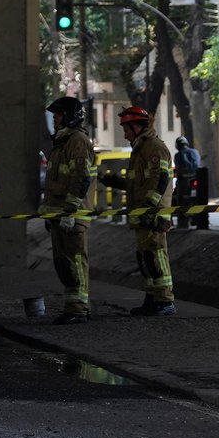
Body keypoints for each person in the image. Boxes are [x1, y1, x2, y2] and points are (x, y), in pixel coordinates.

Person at [101, 107, 177, 315]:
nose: (124, 133)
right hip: (142, 214)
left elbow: (161, 178)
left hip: (152, 214)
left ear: (138, 127)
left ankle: (165, 301)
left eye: (126, 129)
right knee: (145, 259)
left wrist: (149, 208)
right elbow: (138, 184)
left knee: (156, 256)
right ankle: (152, 298)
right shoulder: (140, 149)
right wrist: (114, 181)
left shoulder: (154, 147)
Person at [41, 96, 95, 325]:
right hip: (59, 214)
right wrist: (49, 212)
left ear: (70, 116)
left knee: (75, 262)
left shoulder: (78, 141)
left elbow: (81, 177)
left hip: (71, 215)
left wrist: (70, 211)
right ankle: (74, 305)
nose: (55, 118)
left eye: (59, 114)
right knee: (63, 263)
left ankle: (79, 308)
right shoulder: (61, 143)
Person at [173, 136, 201, 229]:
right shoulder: (195, 152)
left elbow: (178, 168)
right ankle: (198, 219)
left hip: (183, 181)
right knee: (199, 199)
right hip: (197, 179)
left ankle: (183, 223)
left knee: (181, 200)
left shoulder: (178, 155)